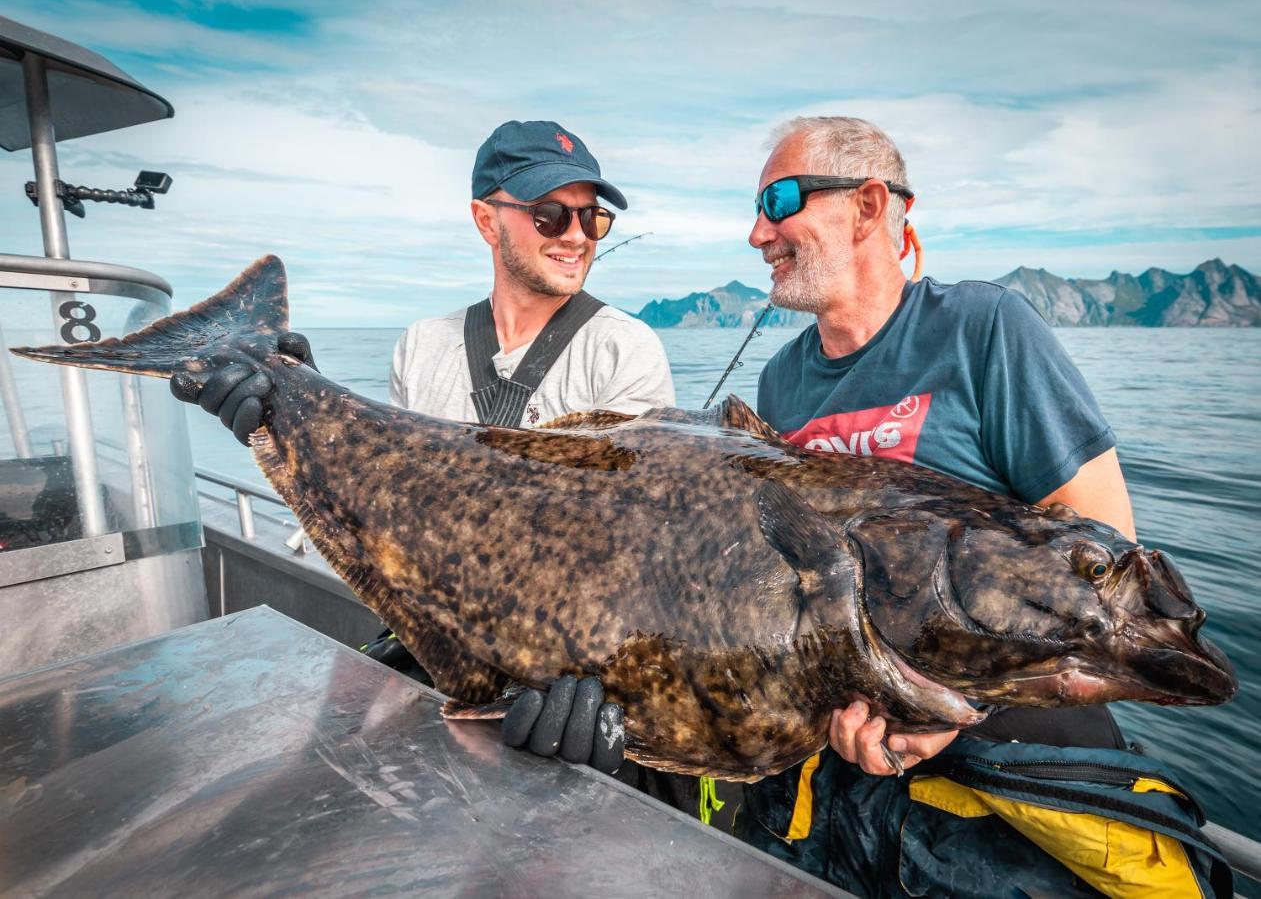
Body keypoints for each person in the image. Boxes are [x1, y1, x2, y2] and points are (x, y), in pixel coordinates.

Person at [171, 120, 674, 776]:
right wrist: (290, 412)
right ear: (486, 219)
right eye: (551, 214)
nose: (577, 235)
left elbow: (628, 548)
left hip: (554, 680)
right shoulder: (421, 344)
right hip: (432, 639)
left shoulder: (625, 348)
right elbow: (390, 509)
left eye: (592, 218)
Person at [739, 116, 1138, 894]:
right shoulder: (777, 385)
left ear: (866, 205)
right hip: (831, 774)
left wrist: (950, 710)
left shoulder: (983, 328)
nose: (757, 232)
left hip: (987, 785)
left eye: (779, 200)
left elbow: (1105, 565)